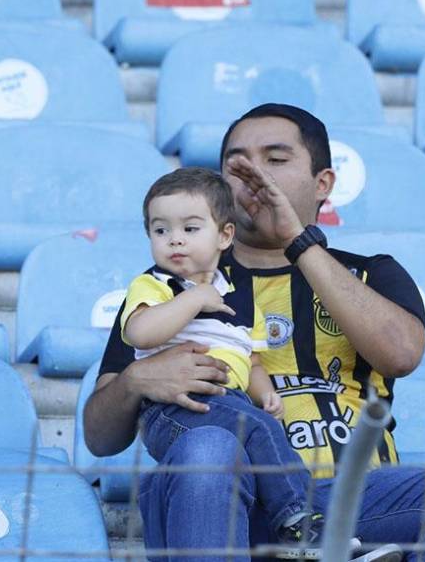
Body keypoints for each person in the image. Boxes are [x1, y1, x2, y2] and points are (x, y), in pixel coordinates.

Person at [84, 104, 425, 562]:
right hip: (226, 495)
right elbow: (100, 437)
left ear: (324, 183)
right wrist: (135, 381)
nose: (255, 176)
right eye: (238, 165)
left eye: (276, 160)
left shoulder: (372, 274)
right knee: (209, 449)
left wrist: (298, 242)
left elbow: (402, 354)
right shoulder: (170, 288)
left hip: (357, 499)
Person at [122, 166, 350, 554]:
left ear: (224, 235)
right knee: (256, 429)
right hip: (171, 412)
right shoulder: (155, 284)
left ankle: (296, 523)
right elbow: (140, 333)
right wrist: (192, 299)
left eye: (190, 229)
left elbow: (252, 360)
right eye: (161, 231)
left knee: (258, 426)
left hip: (230, 404)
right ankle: (300, 519)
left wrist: (266, 394)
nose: (174, 240)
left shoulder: (238, 296)